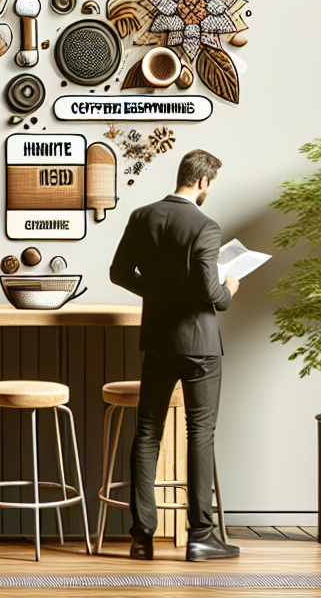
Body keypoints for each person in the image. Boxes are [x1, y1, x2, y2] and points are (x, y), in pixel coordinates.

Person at [108, 148, 241, 561]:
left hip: (159, 341)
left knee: (147, 433)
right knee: (200, 433)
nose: (209, 191)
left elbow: (117, 272)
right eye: (211, 185)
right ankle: (201, 535)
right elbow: (209, 293)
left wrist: (158, 291)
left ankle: (141, 537)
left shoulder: (142, 216)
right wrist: (229, 291)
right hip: (199, 346)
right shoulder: (205, 225)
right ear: (202, 182)